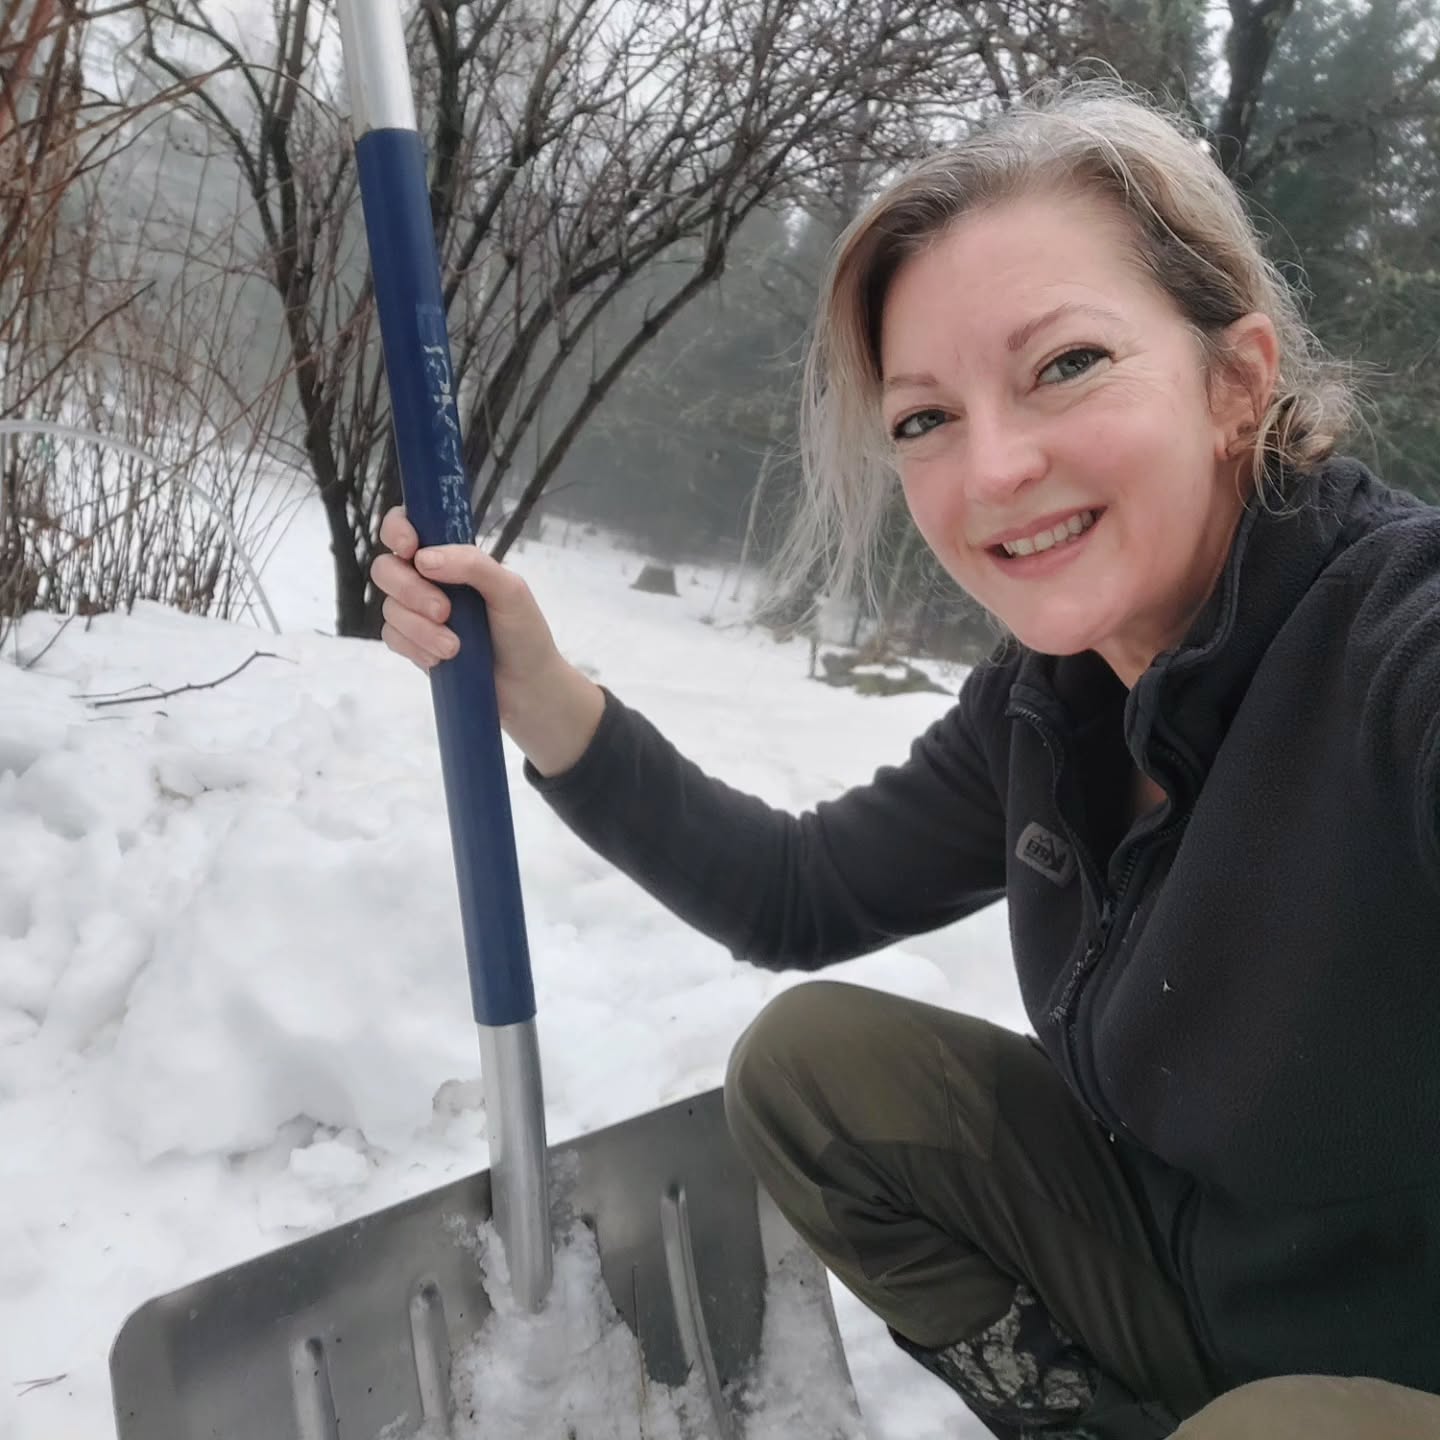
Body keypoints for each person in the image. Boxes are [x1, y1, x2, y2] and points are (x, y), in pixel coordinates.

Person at [372, 82, 1440, 1440]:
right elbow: (794, 892)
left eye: (1066, 365)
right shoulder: (1050, 705)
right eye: (926, 419)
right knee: (815, 1071)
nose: (992, 468)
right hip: (1201, 1296)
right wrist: (537, 691)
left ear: (1236, 382)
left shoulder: (1394, 643)